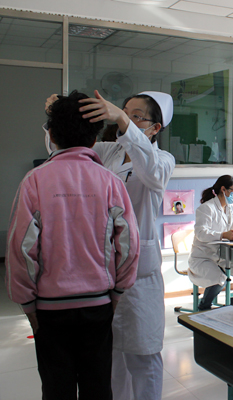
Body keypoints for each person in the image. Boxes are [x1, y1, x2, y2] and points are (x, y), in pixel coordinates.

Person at [8, 91, 139, 400]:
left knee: (57, 389)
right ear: (94, 139)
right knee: (98, 388)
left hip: (49, 310)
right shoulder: (110, 182)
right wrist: (117, 292)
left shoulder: (34, 181)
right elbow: (129, 245)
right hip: (98, 306)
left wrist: (27, 305)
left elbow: (20, 250)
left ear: (51, 135)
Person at [47, 89, 176, 400]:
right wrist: (56, 116)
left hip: (140, 274)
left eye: (135, 116)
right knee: (113, 357)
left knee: (143, 356)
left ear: (155, 127)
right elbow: (64, 150)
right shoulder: (109, 151)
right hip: (103, 268)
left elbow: (151, 174)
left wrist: (120, 119)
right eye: (124, 111)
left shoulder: (162, 160)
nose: (124, 118)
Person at [188, 175, 233, 309]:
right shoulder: (206, 208)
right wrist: (223, 235)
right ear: (223, 189)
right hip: (203, 258)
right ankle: (204, 307)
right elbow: (201, 233)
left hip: (222, 258)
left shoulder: (230, 209)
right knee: (219, 279)